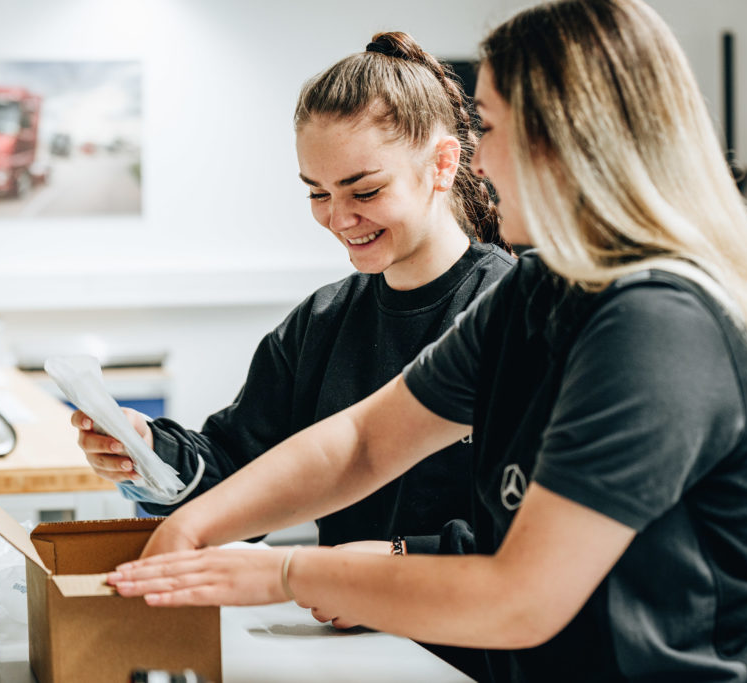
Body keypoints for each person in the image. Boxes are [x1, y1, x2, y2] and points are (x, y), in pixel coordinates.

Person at [106, 1, 747, 681]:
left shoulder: (656, 326)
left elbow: (521, 596)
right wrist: (195, 523)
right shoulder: (537, 290)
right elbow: (364, 442)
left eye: (491, 127)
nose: (480, 164)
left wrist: (287, 573)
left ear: (569, 141)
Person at [74, 33, 513, 555]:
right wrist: (152, 453)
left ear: (442, 164)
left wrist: (389, 560)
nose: (339, 218)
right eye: (317, 192)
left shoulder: (511, 310)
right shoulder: (324, 321)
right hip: (337, 607)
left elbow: (531, 541)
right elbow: (242, 472)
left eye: (365, 190)